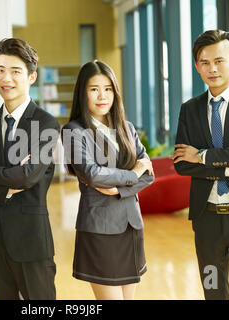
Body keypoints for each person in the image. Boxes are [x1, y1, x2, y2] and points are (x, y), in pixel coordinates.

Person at [173, 30, 229, 300]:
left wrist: (202, 156)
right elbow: (181, 164)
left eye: (219, 61)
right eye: (205, 62)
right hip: (207, 219)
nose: (212, 68)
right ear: (197, 66)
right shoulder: (190, 109)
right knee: (213, 290)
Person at [0, 38, 60, 300]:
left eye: (15, 71)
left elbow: (27, 176)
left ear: (31, 76)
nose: (5, 78)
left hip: (31, 239)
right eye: (0, 70)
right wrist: (0, 183)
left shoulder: (45, 123)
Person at [61, 60, 154, 300]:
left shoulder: (127, 128)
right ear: (83, 92)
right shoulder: (73, 131)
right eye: (94, 89)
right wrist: (132, 174)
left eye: (108, 88)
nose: (102, 95)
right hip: (100, 229)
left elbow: (149, 172)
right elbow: (91, 173)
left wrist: (119, 189)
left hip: (131, 225)